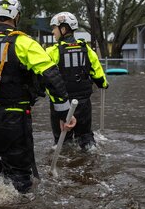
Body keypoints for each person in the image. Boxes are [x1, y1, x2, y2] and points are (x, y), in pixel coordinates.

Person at [0, 0, 76, 193]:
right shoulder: (25, 43)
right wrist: (63, 113)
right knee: (21, 178)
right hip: (15, 119)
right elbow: (51, 76)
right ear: (16, 17)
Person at [46, 12, 108, 151]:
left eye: (54, 28)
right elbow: (99, 76)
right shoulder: (87, 50)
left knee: (62, 140)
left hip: (60, 105)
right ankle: (91, 157)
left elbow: (45, 76)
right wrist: (103, 84)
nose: (52, 31)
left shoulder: (52, 52)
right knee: (85, 136)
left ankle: (65, 162)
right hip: (83, 104)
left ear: (63, 29)